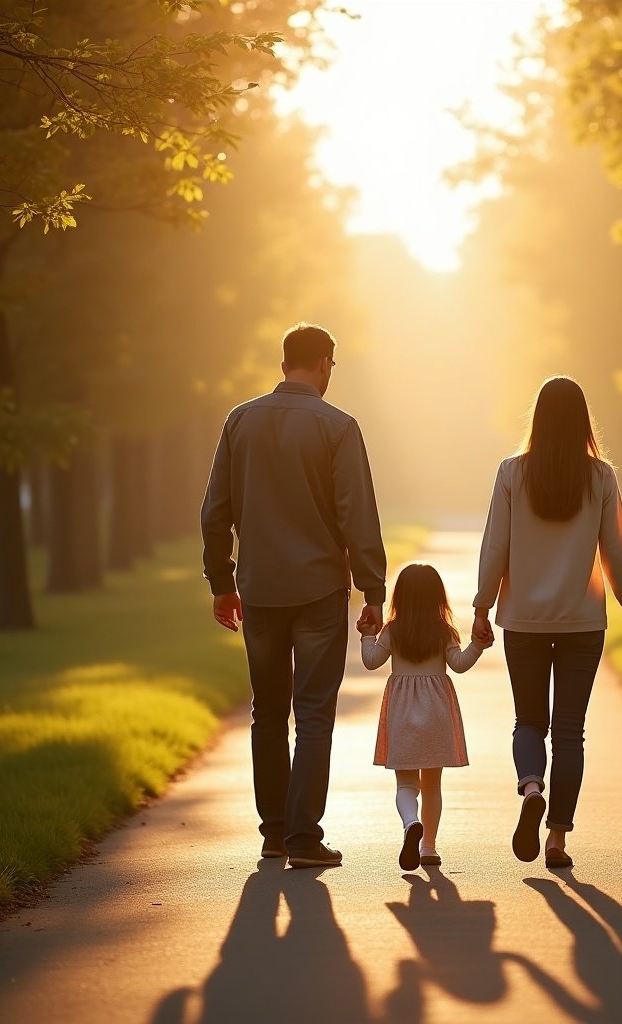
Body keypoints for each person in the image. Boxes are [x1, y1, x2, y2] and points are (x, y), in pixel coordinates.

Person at [200, 322, 386, 868]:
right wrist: (373, 587)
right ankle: (305, 837)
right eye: (332, 365)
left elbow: (216, 512)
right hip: (318, 590)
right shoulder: (339, 428)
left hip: (259, 591)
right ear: (325, 362)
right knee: (313, 713)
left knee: (268, 711)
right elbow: (358, 513)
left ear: (285, 363)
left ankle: (275, 832)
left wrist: (221, 583)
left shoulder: (240, 421)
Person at [473, 376, 622, 869]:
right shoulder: (600, 477)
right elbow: (615, 555)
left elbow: (496, 546)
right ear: (583, 421)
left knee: (528, 720)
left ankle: (531, 785)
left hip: (524, 621)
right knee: (570, 731)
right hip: (581, 623)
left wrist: (480, 607)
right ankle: (556, 838)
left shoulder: (512, 473)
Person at [360, 563, 491, 870]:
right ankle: (428, 847)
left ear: (400, 597)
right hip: (436, 713)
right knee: (432, 786)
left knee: (406, 785)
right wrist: (478, 646)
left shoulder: (392, 631)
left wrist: (367, 635)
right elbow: (458, 664)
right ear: (437, 598)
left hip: (402, 713)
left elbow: (370, 662)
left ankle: (409, 824)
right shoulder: (443, 631)